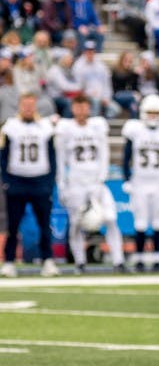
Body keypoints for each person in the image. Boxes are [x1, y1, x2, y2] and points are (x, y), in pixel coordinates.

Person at [54, 95, 126, 272]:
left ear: (89, 108)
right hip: (76, 183)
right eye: (78, 107)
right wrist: (62, 185)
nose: (81, 111)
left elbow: (104, 153)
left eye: (84, 107)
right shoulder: (66, 128)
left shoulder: (97, 126)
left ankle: (118, 260)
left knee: (110, 218)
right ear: (72, 109)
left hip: (96, 182)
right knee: (76, 223)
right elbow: (60, 160)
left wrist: (102, 177)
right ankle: (80, 261)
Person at [0, 91, 58, 277]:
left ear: (35, 106)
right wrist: (7, 181)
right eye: (25, 104)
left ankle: (47, 260)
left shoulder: (45, 126)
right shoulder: (10, 126)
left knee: (44, 224)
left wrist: (50, 181)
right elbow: (3, 156)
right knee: (13, 224)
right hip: (17, 180)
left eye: (31, 104)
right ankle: (9, 261)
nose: (28, 108)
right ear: (19, 105)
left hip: (40, 180)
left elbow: (52, 155)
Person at [122, 94, 159, 272]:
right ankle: (139, 259)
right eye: (150, 112)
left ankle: (157, 260)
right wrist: (126, 179)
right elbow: (126, 158)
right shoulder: (135, 130)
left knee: (158, 222)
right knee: (139, 222)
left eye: (156, 113)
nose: (153, 116)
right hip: (139, 181)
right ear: (142, 113)